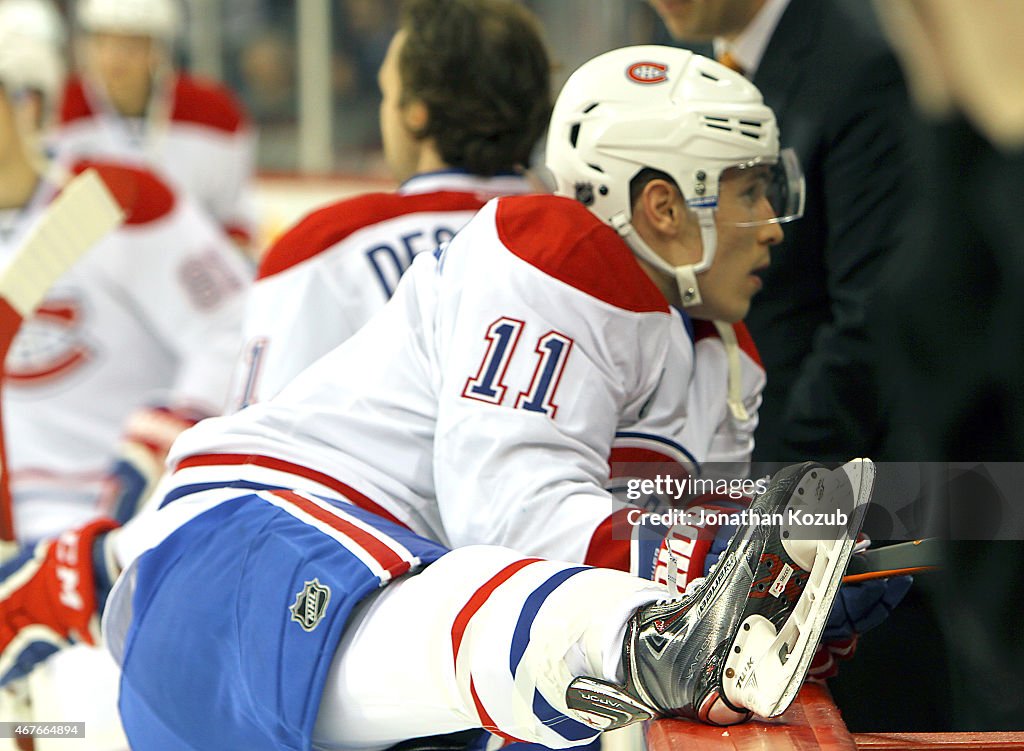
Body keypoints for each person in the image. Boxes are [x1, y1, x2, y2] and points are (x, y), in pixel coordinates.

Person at [2, 45, 877, 750]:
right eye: (753, 191)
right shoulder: (103, 197)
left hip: (208, 544)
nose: (771, 224)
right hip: (283, 552)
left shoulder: (110, 205)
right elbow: (525, 515)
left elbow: (235, 364)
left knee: (83, 705)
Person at [0, 3, 251, 747]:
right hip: (19, 570)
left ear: (28, 102)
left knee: (90, 728)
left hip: (117, 560)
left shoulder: (111, 206)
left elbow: (236, 330)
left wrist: (152, 448)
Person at [233, 0, 550, 408]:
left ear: (416, 113)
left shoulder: (322, 249)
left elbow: (247, 448)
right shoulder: (596, 247)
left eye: (388, 93)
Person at [648, 0, 912, 467]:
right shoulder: (675, 60)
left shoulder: (860, 64)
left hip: (799, 463)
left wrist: (778, 470)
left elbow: (871, 313)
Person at [52, 0, 259, 251]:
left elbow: (234, 219)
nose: (113, 57)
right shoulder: (57, 110)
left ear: (159, 49)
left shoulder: (214, 115)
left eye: (131, 45)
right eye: (102, 42)